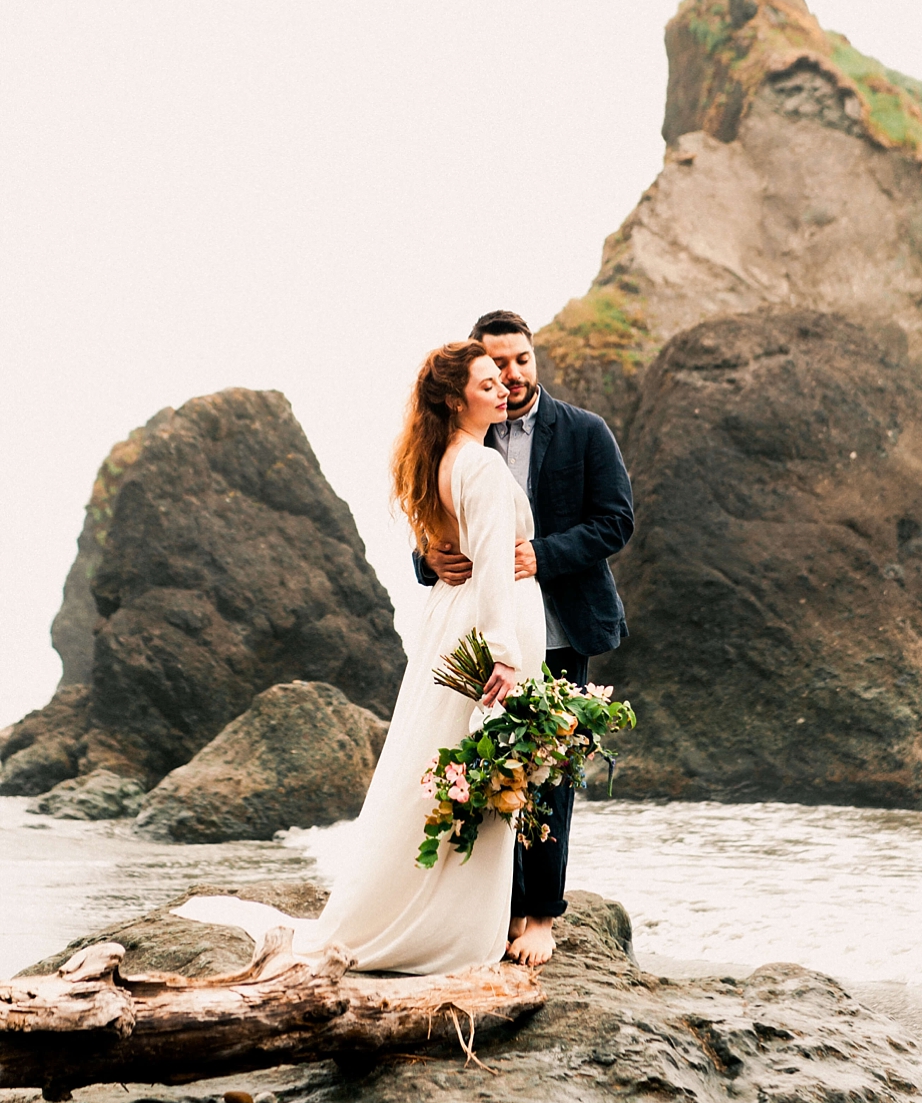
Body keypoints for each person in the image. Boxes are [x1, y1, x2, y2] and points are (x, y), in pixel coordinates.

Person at [175, 342, 546, 971]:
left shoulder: (446, 458)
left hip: (454, 624)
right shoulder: (478, 466)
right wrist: (503, 655)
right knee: (477, 774)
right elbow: (488, 568)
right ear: (457, 400)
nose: (504, 388)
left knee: (454, 770)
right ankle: (448, 928)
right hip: (487, 629)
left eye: (502, 380)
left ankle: (429, 904)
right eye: (488, 383)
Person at [416, 310, 634, 966]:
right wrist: (430, 558)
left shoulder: (585, 432)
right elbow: (434, 519)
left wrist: (543, 553)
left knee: (552, 770)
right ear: (479, 370)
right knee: (478, 765)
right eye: (498, 364)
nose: (511, 375)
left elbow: (616, 521)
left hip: (561, 631)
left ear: (534, 359)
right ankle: (487, 905)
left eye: (522, 361)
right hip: (484, 635)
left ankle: (539, 913)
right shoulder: (464, 438)